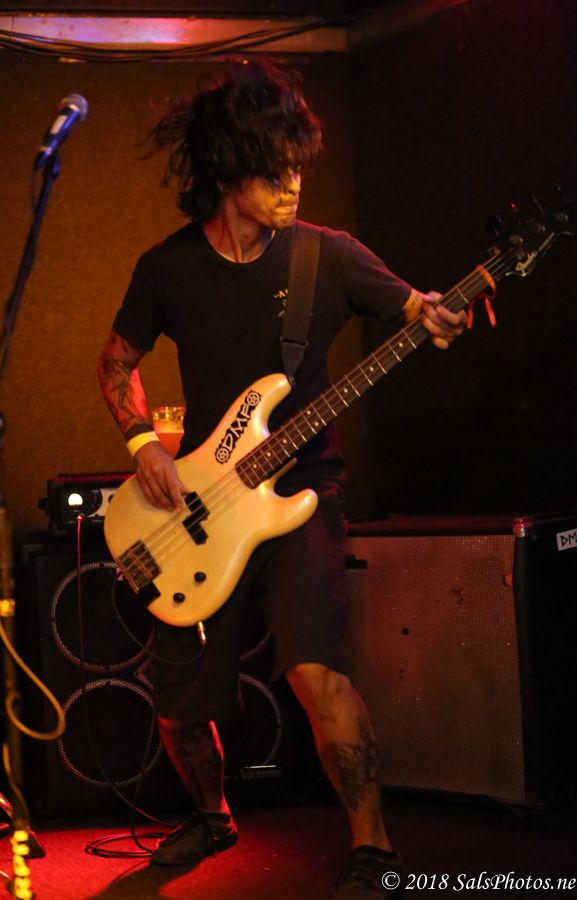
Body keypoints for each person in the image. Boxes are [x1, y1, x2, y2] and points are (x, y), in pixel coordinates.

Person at [97, 59, 465, 899]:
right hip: (200, 510)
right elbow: (116, 362)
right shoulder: (167, 269)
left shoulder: (325, 256)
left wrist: (437, 314)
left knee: (316, 677)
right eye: (274, 170)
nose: (294, 183)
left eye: (298, 165)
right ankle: (212, 816)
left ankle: (372, 848)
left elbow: (418, 309)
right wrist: (142, 443)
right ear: (229, 170)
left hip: (302, 500)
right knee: (179, 706)